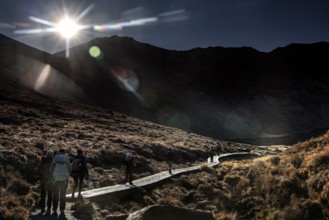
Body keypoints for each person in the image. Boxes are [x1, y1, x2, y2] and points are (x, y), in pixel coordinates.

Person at [51, 148, 71, 216]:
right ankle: (62, 209)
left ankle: (54, 209)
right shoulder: (66, 158)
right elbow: (69, 168)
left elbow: (52, 168)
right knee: (63, 194)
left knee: (55, 194)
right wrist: (67, 175)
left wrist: (52, 176)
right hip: (64, 180)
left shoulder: (55, 157)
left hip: (55, 179)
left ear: (59, 152)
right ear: (64, 152)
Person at [38, 150, 54, 215]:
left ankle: (42, 208)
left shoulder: (42, 160)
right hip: (51, 182)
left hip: (43, 181)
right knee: (50, 195)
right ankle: (49, 208)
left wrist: (40, 178)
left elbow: (39, 170)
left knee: (43, 195)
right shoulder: (53, 161)